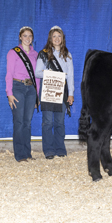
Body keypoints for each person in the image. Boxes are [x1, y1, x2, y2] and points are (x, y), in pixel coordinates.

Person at [35, 26, 74, 159]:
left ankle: (60, 148)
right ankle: (49, 150)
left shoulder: (67, 55)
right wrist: (48, 73)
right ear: (50, 39)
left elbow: (71, 76)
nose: (57, 39)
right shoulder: (43, 53)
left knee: (59, 122)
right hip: (48, 90)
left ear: (62, 39)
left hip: (62, 92)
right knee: (47, 122)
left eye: (59, 36)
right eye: (54, 36)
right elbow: (37, 72)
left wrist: (71, 93)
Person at [5, 26, 39, 162]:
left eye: (30, 36)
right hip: (17, 87)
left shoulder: (35, 54)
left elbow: (37, 76)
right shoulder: (13, 52)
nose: (27, 38)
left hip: (31, 89)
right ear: (20, 37)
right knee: (19, 122)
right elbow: (9, 74)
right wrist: (9, 93)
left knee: (27, 122)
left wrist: (37, 95)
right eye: (25, 36)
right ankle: (20, 154)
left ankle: (27, 152)